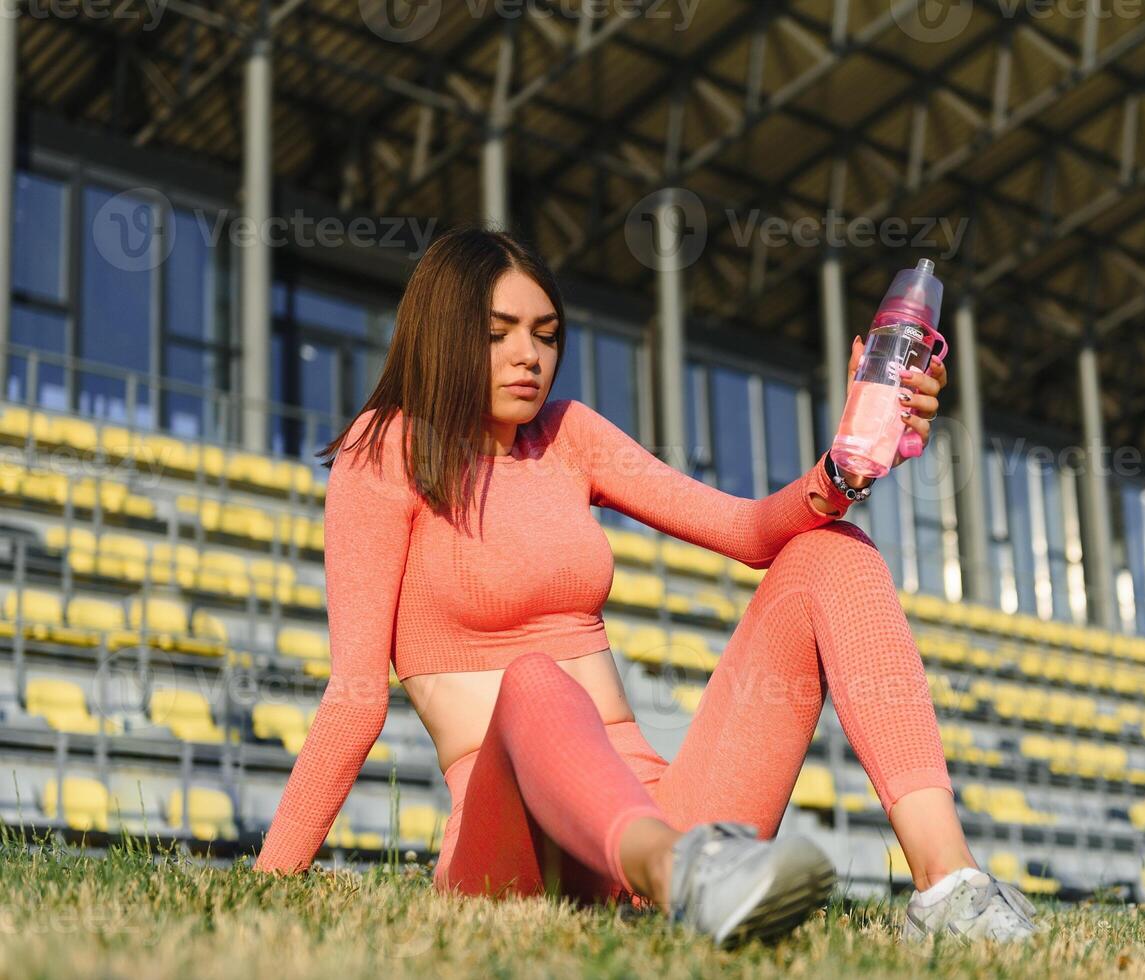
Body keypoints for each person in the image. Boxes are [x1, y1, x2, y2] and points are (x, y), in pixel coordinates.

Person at [251, 224, 1040, 947]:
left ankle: (949, 889)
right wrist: (271, 882)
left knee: (833, 551)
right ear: (440, 332)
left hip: (669, 809)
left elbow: (744, 531)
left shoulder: (570, 435)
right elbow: (355, 696)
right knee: (534, 680)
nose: (529, 356)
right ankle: (682, 876)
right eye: (497, 335)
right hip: (520, 853)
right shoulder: (384, 450)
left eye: (546, 335)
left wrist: (846, 467)